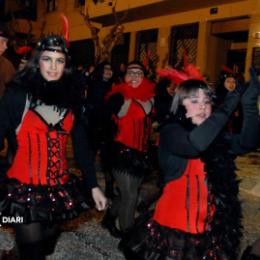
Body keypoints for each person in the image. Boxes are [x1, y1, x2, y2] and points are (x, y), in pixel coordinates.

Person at [119, 65, 260, 259]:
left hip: (208, 233)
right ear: (180, 105)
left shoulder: (216, 137)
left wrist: (250, 102)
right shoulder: (171, 132)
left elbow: (246, 143)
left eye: (206, 100)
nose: (202, 106)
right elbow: (195, 145)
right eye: (194, 100)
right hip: (172, 233)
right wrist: (230, 102)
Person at [0, 35, 107, 260]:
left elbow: (81, 148)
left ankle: (14, 255)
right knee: (34, 251)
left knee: (46, 244)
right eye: (47, 59)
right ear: (37, 61)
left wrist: (93, 185)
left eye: (59, 61)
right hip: (23, 190)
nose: (53, 66)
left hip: (58, 189)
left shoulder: (71, 100)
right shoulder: (18, 95)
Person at [101, 61, 155, 238]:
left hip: (141, 153)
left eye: (138, 72)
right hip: (120, 152)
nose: (134, 75)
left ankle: (109, 219)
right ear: (124, 77)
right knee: (130, 196)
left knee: (127, 194)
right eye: (130, 72)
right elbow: (105, 115)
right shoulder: (120, 96)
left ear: (144, 76)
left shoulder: (151, 98)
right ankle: (129, 239)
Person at [84, 61, 115, 199]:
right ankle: (88, 187)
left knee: (108, 160)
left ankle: (109, 188)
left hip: (108, 128)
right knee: (89, 158)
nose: (108, 72)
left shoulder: (114, 86)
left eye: (110, 69)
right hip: (94, 127)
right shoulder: (93, 85)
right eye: (105, 69)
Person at [215, 68, 244, 133]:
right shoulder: (217, 98)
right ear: (223, 83)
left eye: (233, 82)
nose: (231, 84)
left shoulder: (238, 97)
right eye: (228, 81)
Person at [0, 22, 15, 97]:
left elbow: (14, 87)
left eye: (6, 43)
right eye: (3, 41)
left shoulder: (6, 65)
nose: (6, 47)